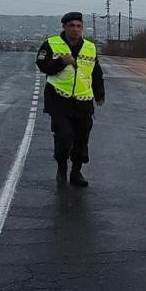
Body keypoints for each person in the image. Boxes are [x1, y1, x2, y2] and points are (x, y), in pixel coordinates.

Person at [36, 12, 105, 186]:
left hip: (83, 101)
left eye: (78, 26)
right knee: (64, 136)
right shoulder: (51, 44)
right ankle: (61, 168)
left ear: (82, 28)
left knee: (82, 138)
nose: (75, 29)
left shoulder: (90, 47)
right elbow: (42, 66)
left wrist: (99, 93)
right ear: (64, 27)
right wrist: (61, 62)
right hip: (59, 99)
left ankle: (76, 172)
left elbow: (95, 72)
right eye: (71, 26)